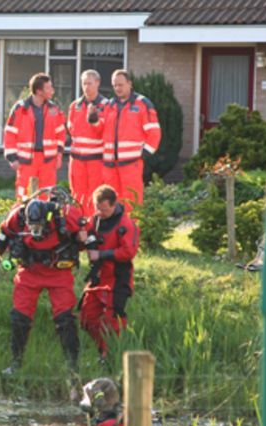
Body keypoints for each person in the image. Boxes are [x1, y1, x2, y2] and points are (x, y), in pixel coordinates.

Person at [0, 188, 86, 376]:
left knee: (65, 317)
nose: (35, 231)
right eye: (32, 227)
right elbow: (4, 235)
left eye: (38, 226)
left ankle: (72, 365)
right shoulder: (17, 216)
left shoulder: (66, 215)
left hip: (58, 270)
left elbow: (86, 235)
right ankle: (16, 362)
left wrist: (86, 245)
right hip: (29, 270)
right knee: (19, 316)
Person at [79, 185, 139, 360]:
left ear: (114, 205)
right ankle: (101, 349)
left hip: (118, 277)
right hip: (98, 276)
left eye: (104, 209)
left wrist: (102, 254)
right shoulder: (95, 220)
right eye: (97, 208)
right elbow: (86, 240)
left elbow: (129, 252)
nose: (100, 212)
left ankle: (109, 355)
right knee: (87, 316)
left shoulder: (127, 225)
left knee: (112, 319)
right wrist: (80, 238)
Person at [102, 69, 161, 210]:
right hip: (110, 164)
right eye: (115, 85)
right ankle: (114, 230)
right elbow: (101, 130)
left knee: (132, 201)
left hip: (131, 163)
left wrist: (144, 154)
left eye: (121, 85)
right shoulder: (109, 105)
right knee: (111, 202)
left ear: (130, 84)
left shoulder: (142, 104)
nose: (117, 88)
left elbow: (154, 132)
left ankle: (132, 230)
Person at [3, 73, 66, 199]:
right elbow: (10, 133)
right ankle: (23, 217)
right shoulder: (20, 108)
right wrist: (12, 158)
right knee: (24, 193)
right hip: (26, 160)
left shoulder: (54, 109)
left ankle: (46, 218)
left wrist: (59, 155)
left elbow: (60, 133)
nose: (52, 91)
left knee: (48, 193)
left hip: (48, 160)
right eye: (48, 88)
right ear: (38, 91)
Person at [67, 70, 109, 215]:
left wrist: (94, 120)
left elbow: (105, 131)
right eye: (84, 83)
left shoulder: (106, 105)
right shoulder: (75, 106)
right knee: (77, 194)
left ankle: (92, 225)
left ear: (97, 83)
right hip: (77, 160)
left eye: (89, 83)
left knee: (95, 194)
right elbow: (71, 130)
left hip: (95, 160)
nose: (86, 87)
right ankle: (78, 225)